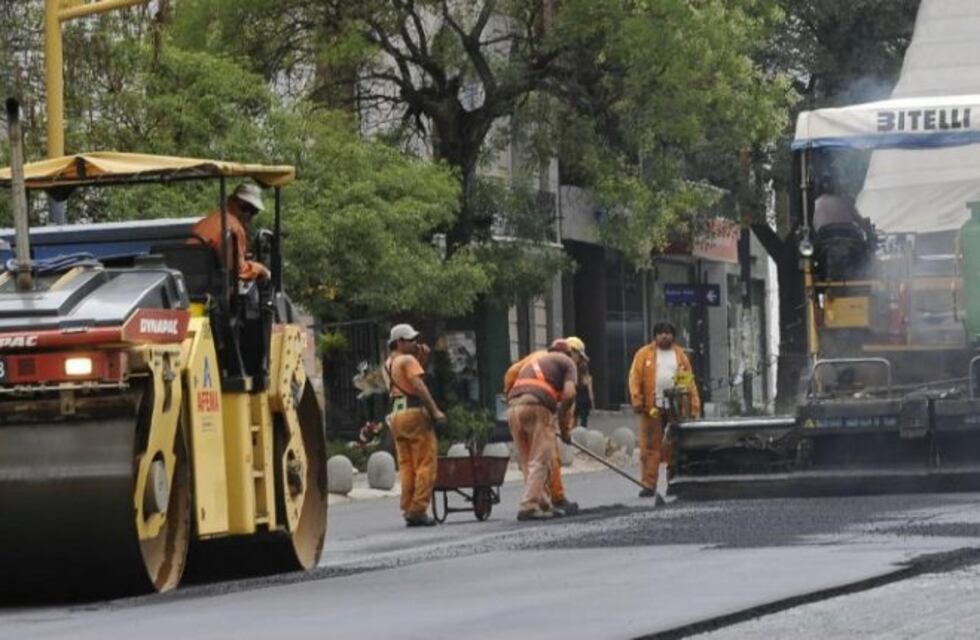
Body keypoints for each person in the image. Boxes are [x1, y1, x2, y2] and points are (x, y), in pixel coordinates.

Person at [503, 337, 588, 516]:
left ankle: (542, 503)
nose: (578, 362)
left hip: (513, 409)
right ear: (571, 354)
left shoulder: (534, 359)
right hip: (537, 407)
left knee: (528, 461)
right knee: (541, 459)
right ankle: (529, 506)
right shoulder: (567, 363)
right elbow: (570, 395)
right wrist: (562, 425)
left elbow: (511, 373)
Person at [628, 321, 701, 499]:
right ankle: (648, 484)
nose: (664, 336)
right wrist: (637, 400)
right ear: (655, 336)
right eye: (660, 333)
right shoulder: (644, 354)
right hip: (651, 408)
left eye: (668, 333)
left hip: (676, 408)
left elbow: (688, 383)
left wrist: (693, 406)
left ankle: (675, 481)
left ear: (673, 336)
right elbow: (635, 378)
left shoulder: (680, 356)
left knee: (675, 446)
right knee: (649, 447)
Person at [384, 323, 446, 527]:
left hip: (396, 415)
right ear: (400, 342)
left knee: (406, 465)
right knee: (425, 462)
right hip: (414, 414)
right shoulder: (408, 359)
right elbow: (418, 385)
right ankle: (418, 509)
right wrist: (435, 411)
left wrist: (422, 360)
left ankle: (408, 507)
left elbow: (404, 382)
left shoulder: (389, 363)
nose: (416, 343)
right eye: (411, 340)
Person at [191, 182, 270, 281]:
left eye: (253, 211)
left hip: (193, 280)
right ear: (231, 201)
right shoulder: (234, 228)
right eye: (244, 207)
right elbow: (238, 270)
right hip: (214, 284)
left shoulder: (207, 221)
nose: (247, 214)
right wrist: (261, 269)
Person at [812, 173, 874, 280]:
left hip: (825, 242)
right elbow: (861, 222)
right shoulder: (845, 201)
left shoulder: (814, 205)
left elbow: (814, 227)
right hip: (851, 240)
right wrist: (868, 229)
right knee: (867, 254)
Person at [567, 336, 594, 428]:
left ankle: (578, 434)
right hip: (577, 393)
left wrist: (590, 397)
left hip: (580, 394)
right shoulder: (580, 365)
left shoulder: (581, 366)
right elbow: (587, 382)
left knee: (578, 417)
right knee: (576, 417)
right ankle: (575, 434)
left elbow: (587, 381)